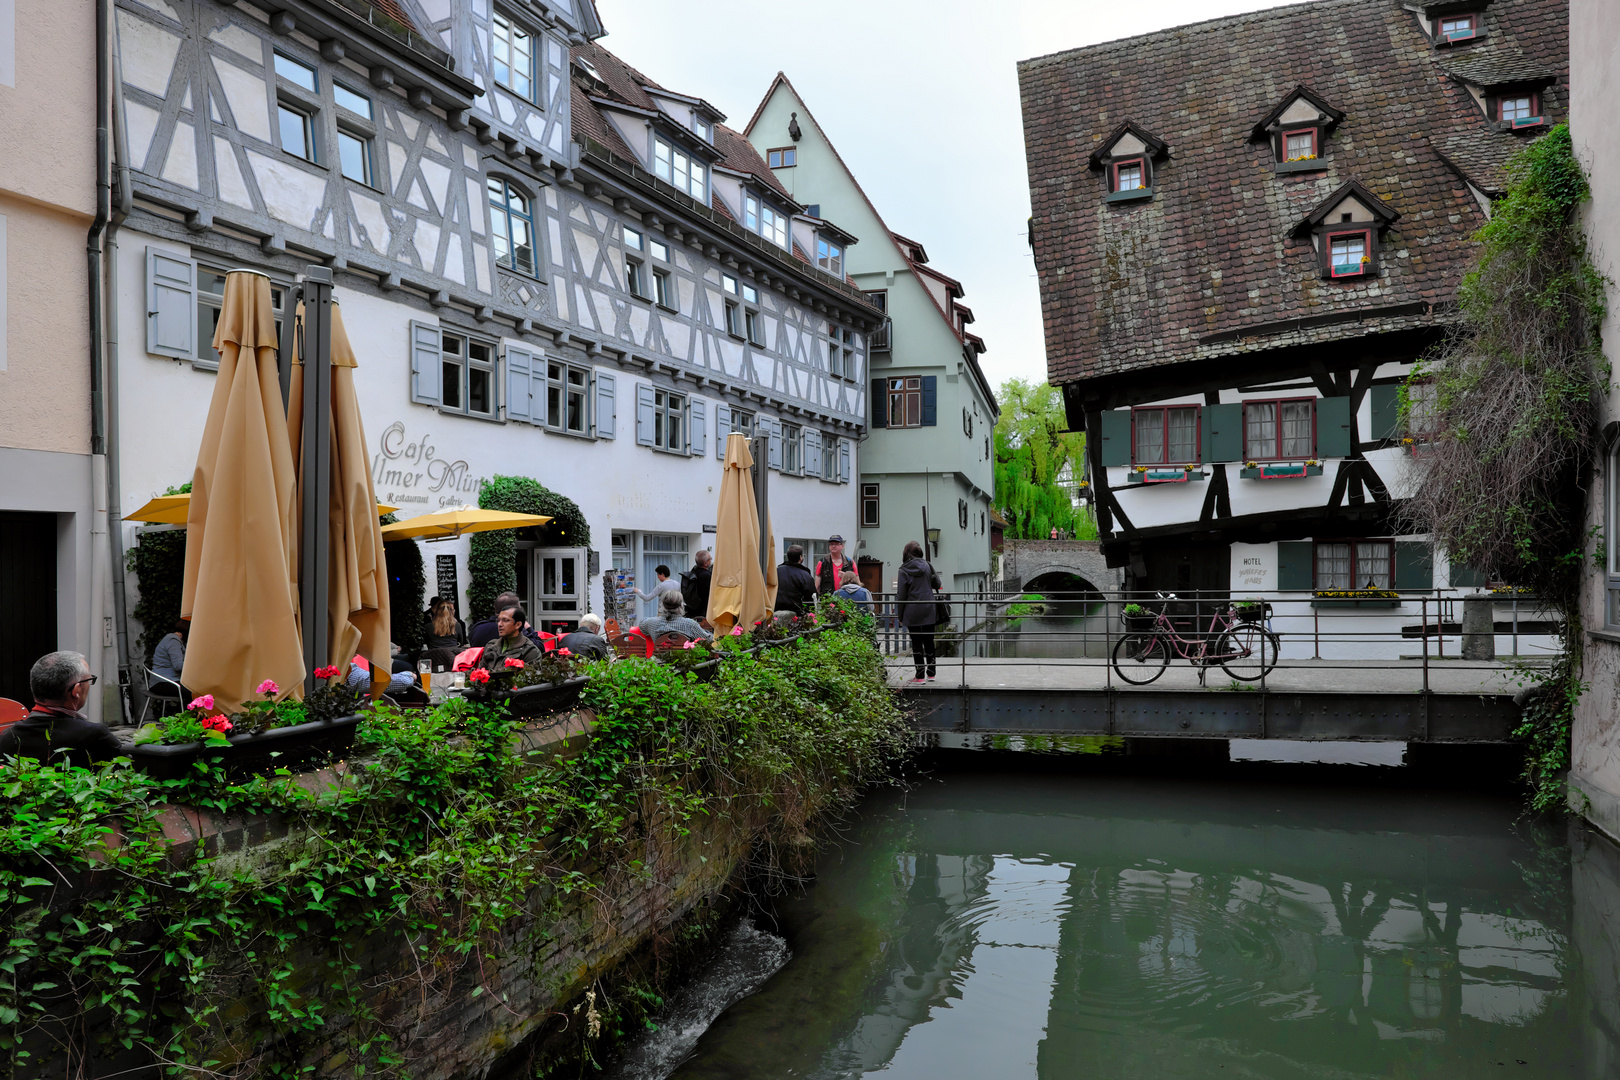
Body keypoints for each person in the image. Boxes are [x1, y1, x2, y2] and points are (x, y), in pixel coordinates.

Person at [0, 651, 127, 768]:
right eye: (89, 679)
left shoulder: (7, 738)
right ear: (76, 691)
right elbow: (128, 774)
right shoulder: (95, 736)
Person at [896, 540, 942, 683]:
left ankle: (920, 675)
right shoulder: (928, 565)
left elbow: (901, 595)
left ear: (906, 553)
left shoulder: (903, 570)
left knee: (916, 642)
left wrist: (900, 615)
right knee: (929, 640)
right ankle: (932, 673)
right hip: (929, 607)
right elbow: (938, 584)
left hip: (912, 610)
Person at [477, 605, 545, 671]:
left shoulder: (530, 651)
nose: (500, 624)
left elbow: (532, 679)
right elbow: (480, 674)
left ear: (518, 625)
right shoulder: (491, 646)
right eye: (498, 620)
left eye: (505, 620)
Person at [469, 592, 543, 649]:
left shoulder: (476, 628)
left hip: (480, 668)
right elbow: (539, 647)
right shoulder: (514, 629)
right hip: (509, 668)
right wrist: (528, 628)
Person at [638, 590, 712, 641]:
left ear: (662, 605)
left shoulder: (651, 623)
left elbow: (641, 623)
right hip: (686, 662)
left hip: (659, 661)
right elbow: (709, 640)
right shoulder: (690, 624)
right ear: (681, 606)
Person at [150, 620, 189, 700]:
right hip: (162, 683)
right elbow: (178, 666)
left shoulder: (171, 639)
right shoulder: (173, 641)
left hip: (164, 681)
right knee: (194, 693)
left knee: (195, 690)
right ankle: (190, 712)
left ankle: (190, 712)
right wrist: (194, 665)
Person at [775, 544, 816, 615]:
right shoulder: (805, 575)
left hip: (775, 609)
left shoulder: (776, 571)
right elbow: (811, 598)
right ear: (800, 557)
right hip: (796, 613)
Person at [681, 551, 713, 621]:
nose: (711, 560)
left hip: (693, 610)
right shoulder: (706, 575)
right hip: (704, 612)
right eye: (710, 558)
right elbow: (709, 595)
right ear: (705, 563)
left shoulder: (694, 572)